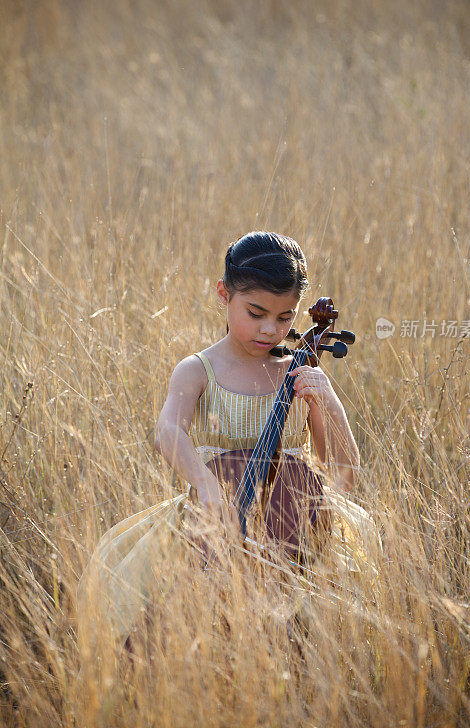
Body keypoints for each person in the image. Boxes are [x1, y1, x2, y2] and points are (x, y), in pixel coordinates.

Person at [76, 231, 380, 657]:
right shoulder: (199, 369)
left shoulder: (300, 374)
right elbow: (169, 430)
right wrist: (205, 484)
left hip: (293, 522)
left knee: (299, 619)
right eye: (255, 313)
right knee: (185, 601)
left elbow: (345, 474)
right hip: (215, 511)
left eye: (285, 317)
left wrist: (327, 401)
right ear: (224, 294)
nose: (270, 329)